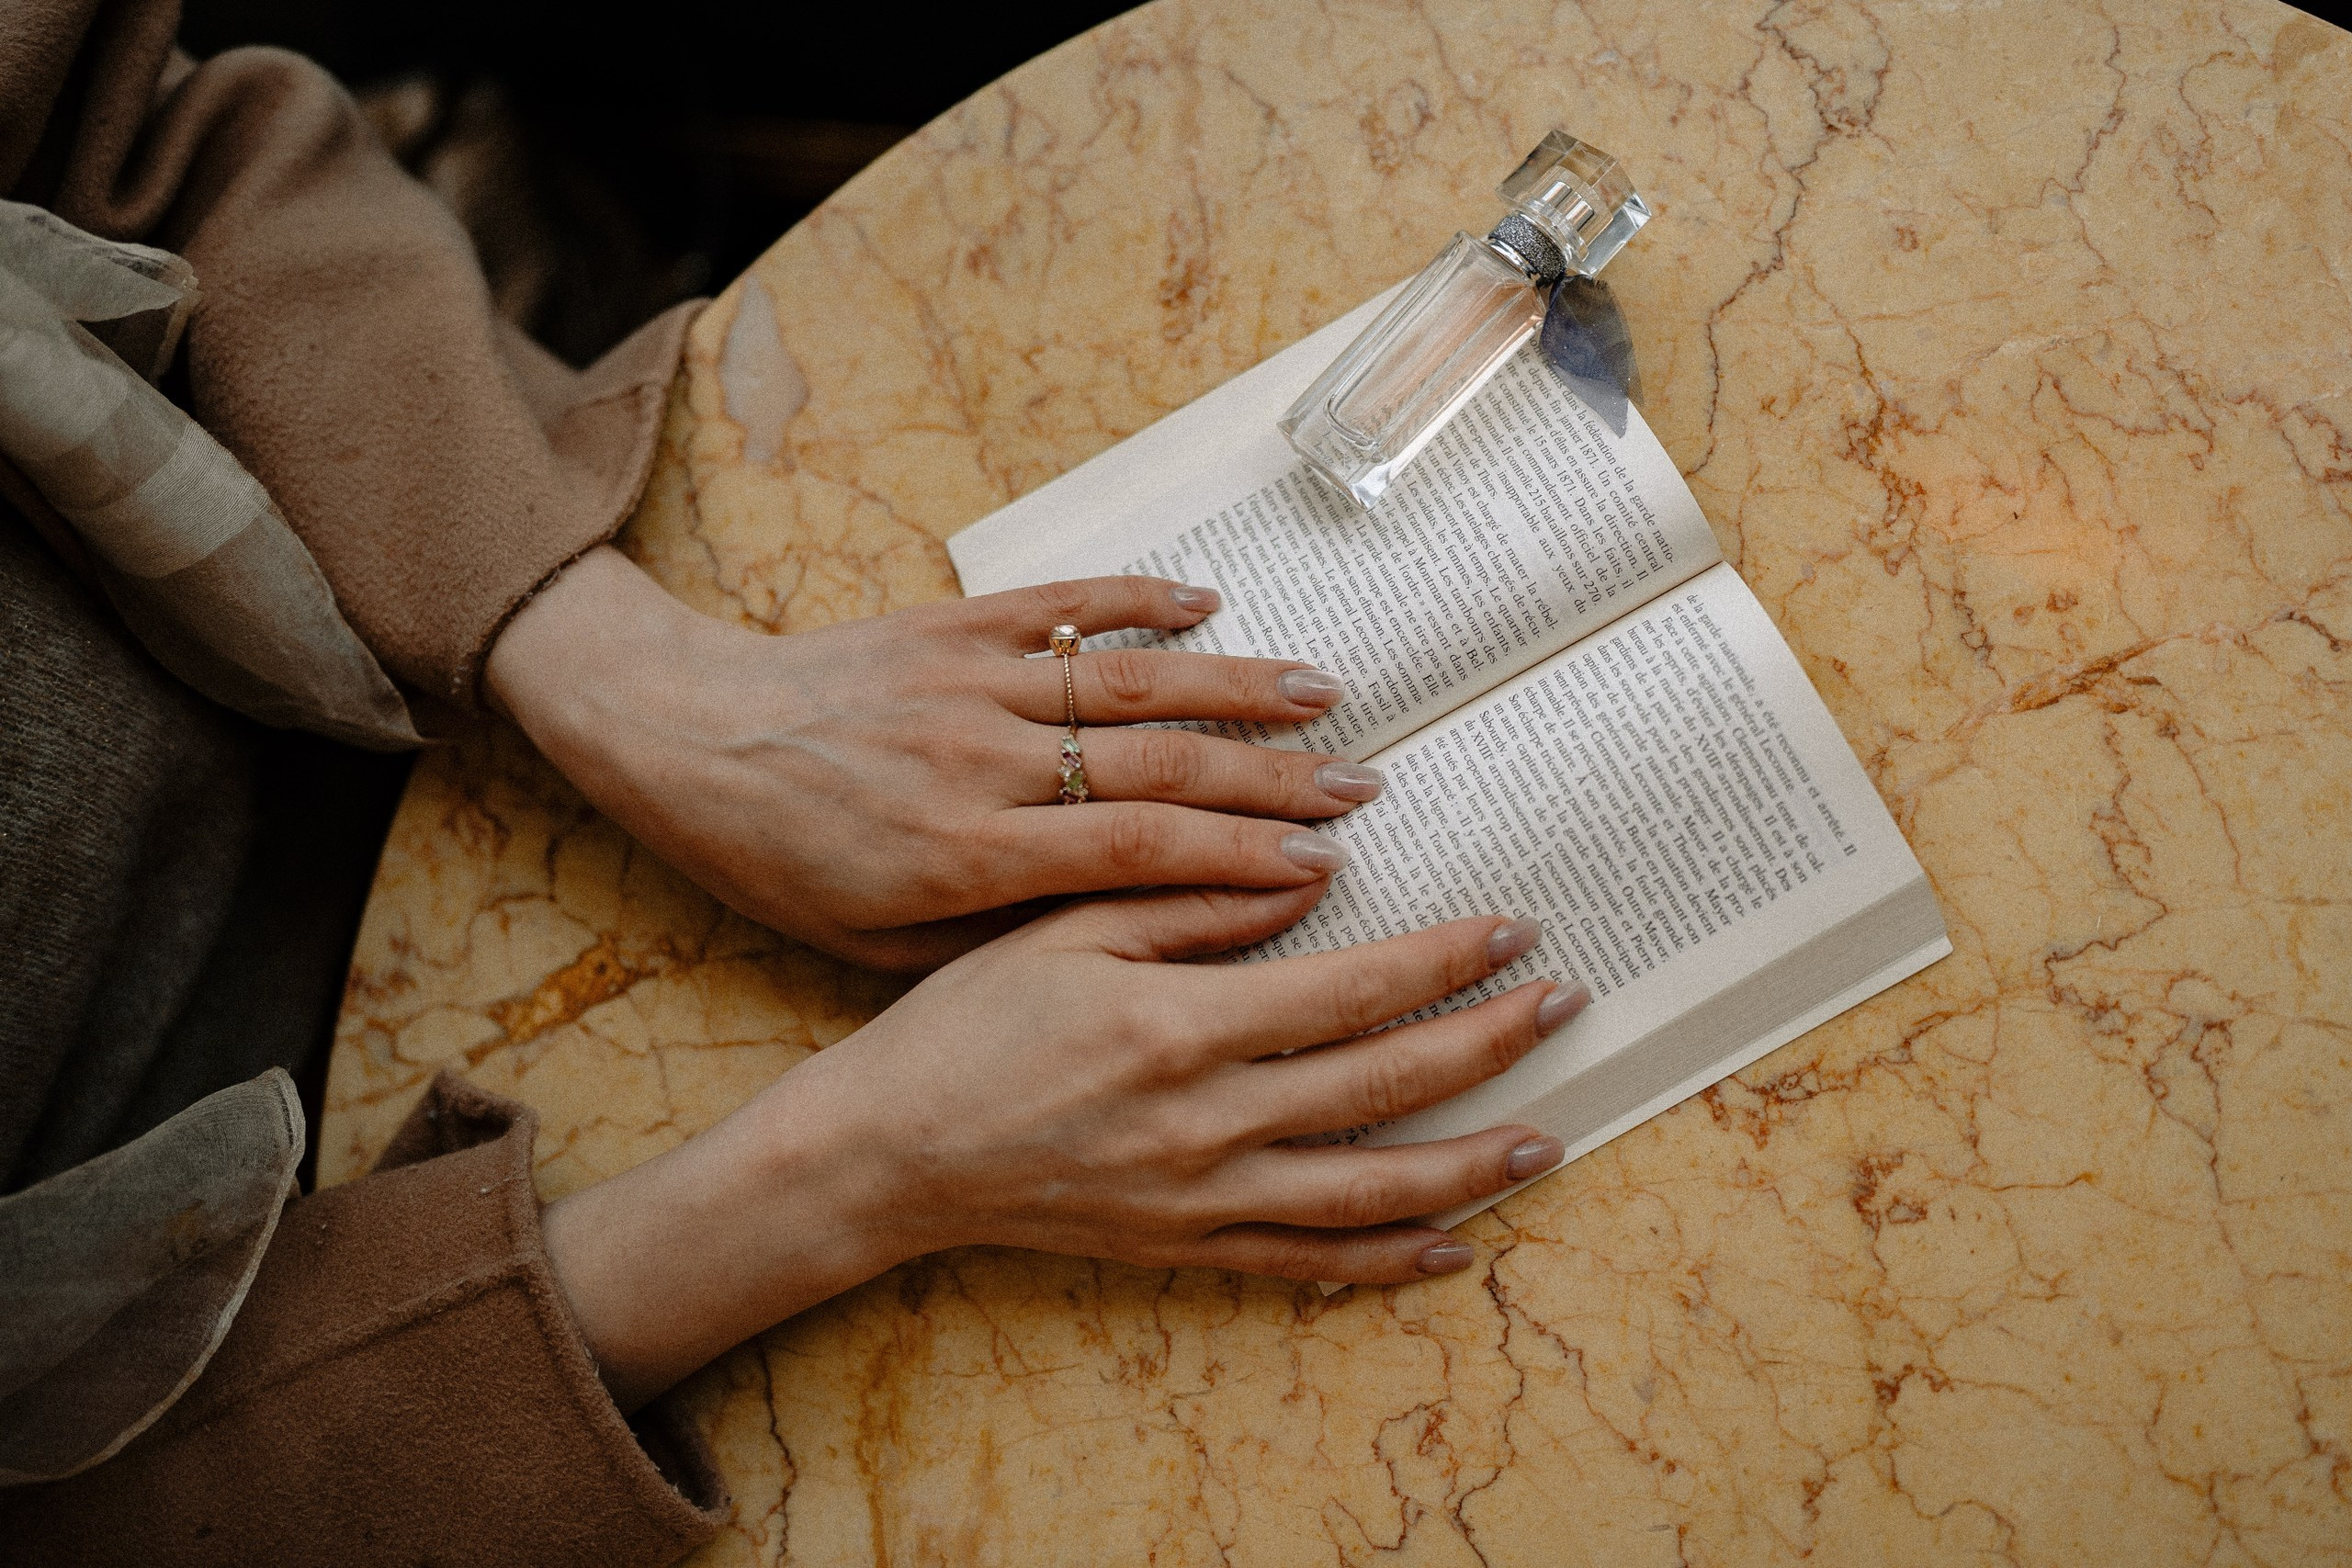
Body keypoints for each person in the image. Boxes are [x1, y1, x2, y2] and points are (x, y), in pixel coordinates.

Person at [0, 2, 1588, 1561]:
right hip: (380, 1348)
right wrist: (854, 1172)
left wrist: (627, 672)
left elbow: (131, 128)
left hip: (444, 505)